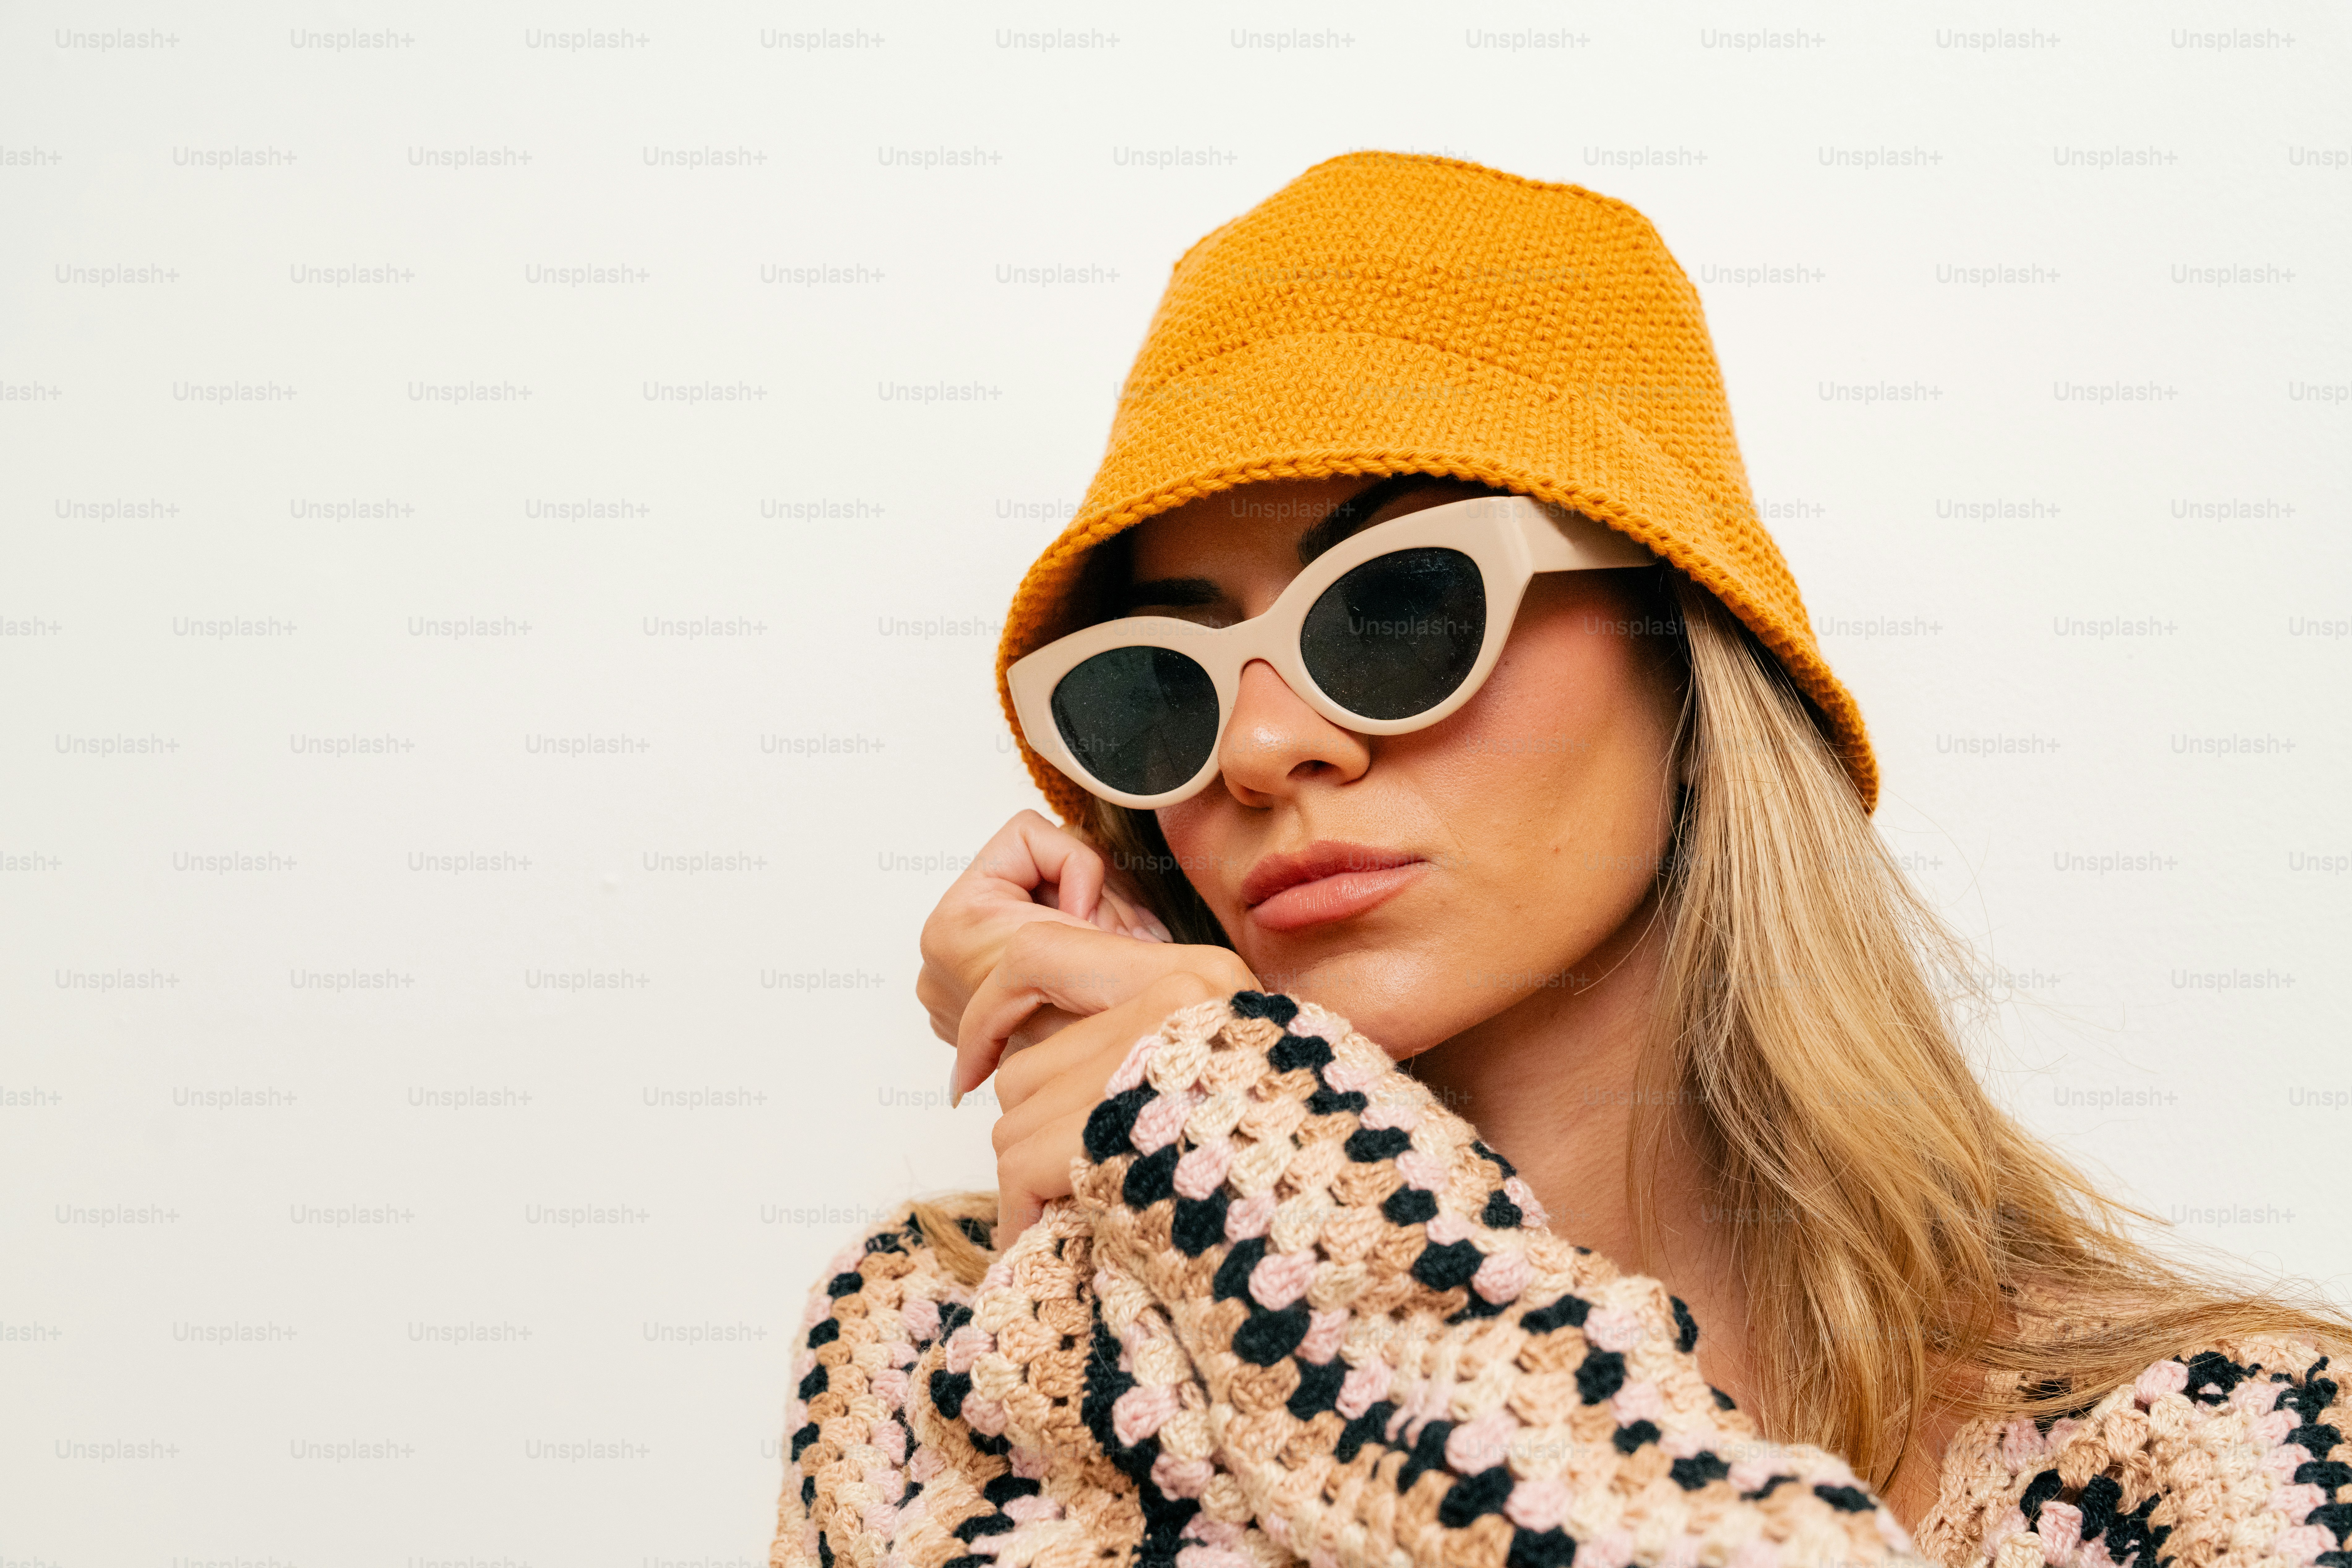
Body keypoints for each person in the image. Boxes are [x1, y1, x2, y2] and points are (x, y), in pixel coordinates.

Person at [770, 153, 2350, 1568]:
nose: (1258, 750)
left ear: (1687, 659)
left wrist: (1251, 1167)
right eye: (1153, 681)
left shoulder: (2214, 1446)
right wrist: (1133, 1255)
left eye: (1394, 606)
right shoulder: (949, 1351)